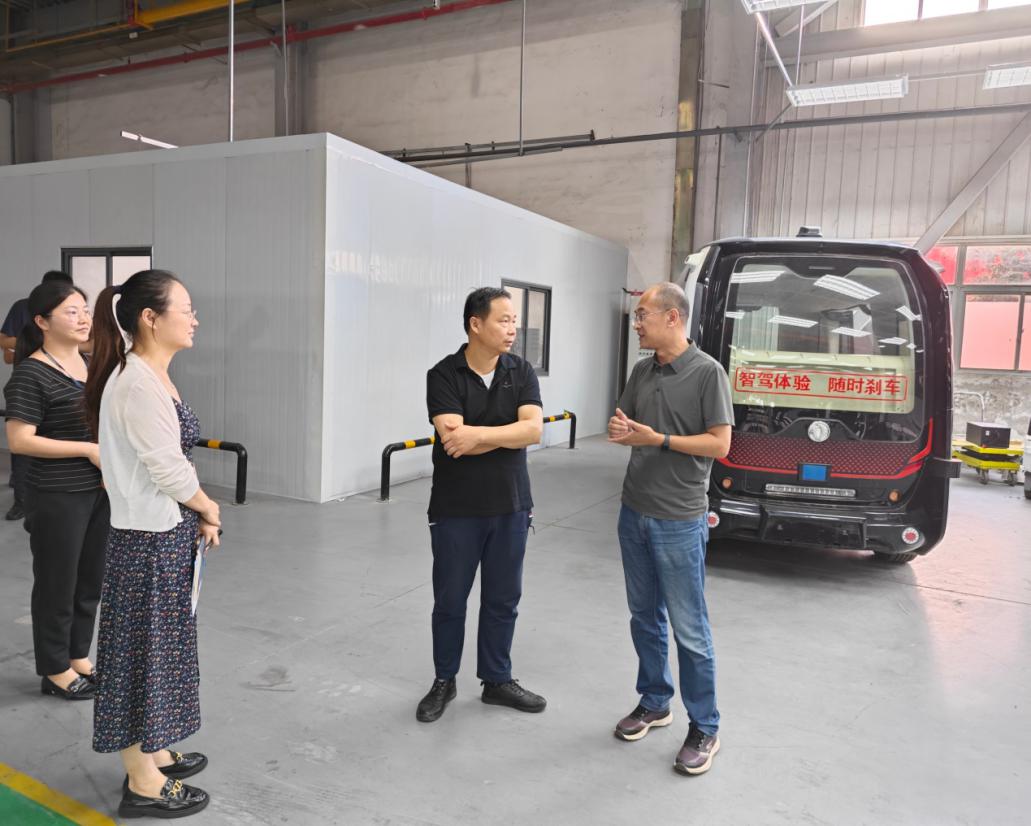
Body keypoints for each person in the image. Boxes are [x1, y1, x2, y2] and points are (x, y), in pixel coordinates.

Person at [83, 270, 221, 820]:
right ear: (150, 318)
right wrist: (207, 506)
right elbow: (167, 467)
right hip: (147, 542)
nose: (194, 319)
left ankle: (155, 750)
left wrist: (194, 513)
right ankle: (142, 781)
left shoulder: (151, 374)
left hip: (163, 534)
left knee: (159, 651)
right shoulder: (138, 383)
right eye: (186, 309)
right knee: (141, 656)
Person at [607, 282, 733, 776]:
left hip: (679, 518)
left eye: (643, 315)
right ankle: (655, 701)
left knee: (689, 628)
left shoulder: (707, 372)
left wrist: (658, 439)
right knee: (644, 616)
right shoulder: (643, 370)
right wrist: (623, 432)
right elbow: (626, 426)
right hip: (634, 511)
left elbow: (719, 444)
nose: (637, 323)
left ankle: (705, 726)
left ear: (673, 318)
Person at [417, 286, 546, 723]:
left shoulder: (521, 371)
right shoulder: (444, 374)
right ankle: (444, 680)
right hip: (456, 509)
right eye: (503, 320)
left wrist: (478, 434)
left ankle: (497, 679)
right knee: (450, 600)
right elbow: (453, 441)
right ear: (476, 324)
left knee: (503, 599)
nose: (513, 329)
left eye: (514, 321)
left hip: (511, 506)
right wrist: (504, 435)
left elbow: (533, 431)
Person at [3, 279, 109, 701]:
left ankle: (78, 656)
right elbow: (19, 440)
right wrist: (88, 450)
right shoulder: (31, 373)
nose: (83, 318)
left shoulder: (91, 364)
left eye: (85, 309)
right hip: (57, 496)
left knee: (89, 580)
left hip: (99, 491)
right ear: (42, 322)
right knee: (56, 584)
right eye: (71, 311)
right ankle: (54, 669)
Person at [2, 271, 76, 521]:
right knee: (24, 446)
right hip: (30, 385)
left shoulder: (71, 320)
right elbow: (4, 344)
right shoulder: (23, 308)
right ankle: (22, 501)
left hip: (61, 385)